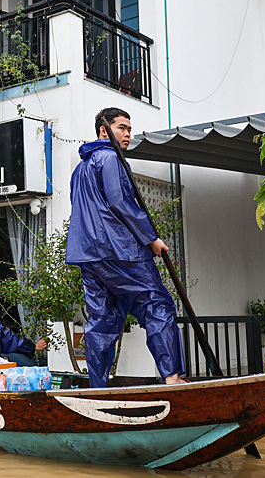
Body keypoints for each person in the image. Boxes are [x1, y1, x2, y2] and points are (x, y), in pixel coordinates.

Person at [65, 107, 187, 388]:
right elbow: (121, 203)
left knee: (103, 319)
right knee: (157, 304)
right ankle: (171, 377)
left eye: (130, 129)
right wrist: (151, 238)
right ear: (104, 130)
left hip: (89, 255)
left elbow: (79, 208)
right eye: (122, 128)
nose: (128, 135)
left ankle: (98, 388)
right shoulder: (110, 159)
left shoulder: (80, 169)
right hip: (120, 250)